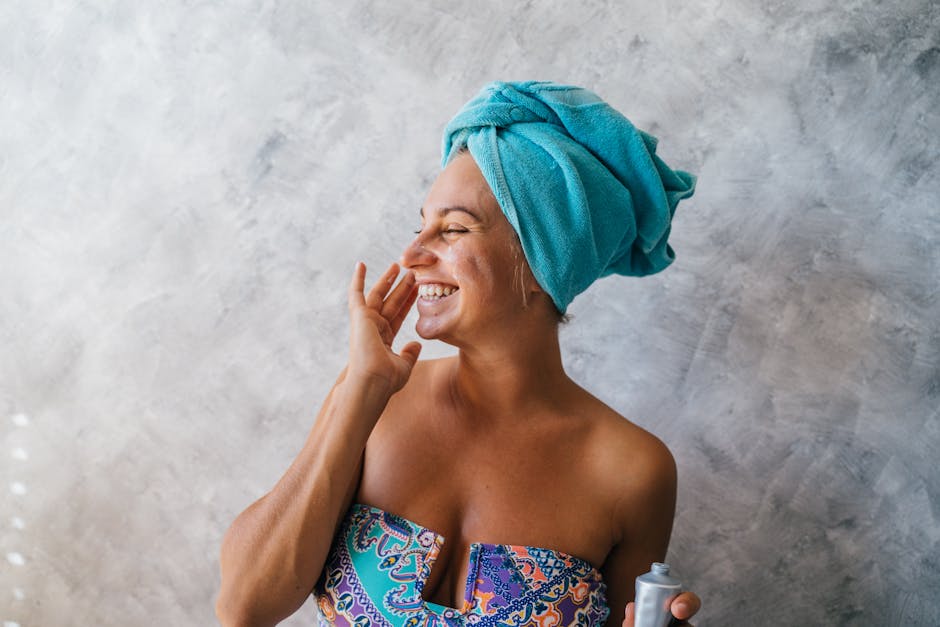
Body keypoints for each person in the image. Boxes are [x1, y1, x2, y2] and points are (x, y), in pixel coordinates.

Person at [216, 81, 701, 627]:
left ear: (546, 264)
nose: (413, 254)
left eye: (452, 229)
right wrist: (359, 393)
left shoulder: (633, 471)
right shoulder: (374, 399)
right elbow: (243, 608)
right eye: (420, 225)